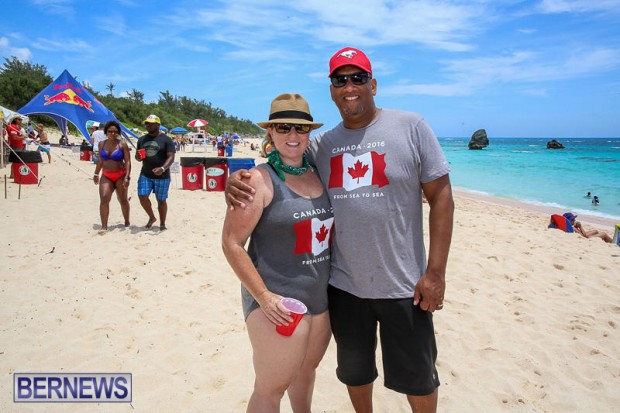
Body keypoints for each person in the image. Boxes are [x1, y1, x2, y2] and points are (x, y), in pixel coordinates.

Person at [226, 47, 454, 412]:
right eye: (340, 80)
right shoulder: (323, 144)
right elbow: (282, 162)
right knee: (355, 375)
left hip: (404, 285)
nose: (349, 86)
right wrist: (237, 180)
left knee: (419, 377)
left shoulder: (411, 127)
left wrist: (436, 272)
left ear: (373, 85)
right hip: (344, 289)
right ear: (331, 90)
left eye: (358, 78)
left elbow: (441, 197)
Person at [222, 93, 333, 412]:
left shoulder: (320, 172)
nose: (293, 135)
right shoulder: (256, 180)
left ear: (310, 133)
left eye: (301, 128)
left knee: (306, 373)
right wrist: (264, 297)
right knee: (270, 389)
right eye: (284, 127)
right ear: (270, 131)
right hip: (277, 304)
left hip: (319, 300)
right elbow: (231, 242)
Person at [135, 114, 175, 230]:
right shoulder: (141, 139)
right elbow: (138, 157)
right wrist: (138, 157)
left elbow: (171, 156)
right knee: (142, 196)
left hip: (162, 175)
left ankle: (162, 223)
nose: (148, 126)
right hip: (146, 174)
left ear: (158, 125)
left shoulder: (166, 140)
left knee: (161, 200)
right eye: (147, 124)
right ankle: (152, 217)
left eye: (151, 124)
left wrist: (162, 168)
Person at [93, 120, 131, 230]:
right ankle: (104, 226)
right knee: (104, 199)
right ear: (106, 132)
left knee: (123, 200)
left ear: (118, 132)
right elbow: (100, 160)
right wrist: (96, 173)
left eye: (115, 131)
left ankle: (127, 221)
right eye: (110, 131)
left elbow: (128, 162)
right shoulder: (102, 144)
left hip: (120, 176)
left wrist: (127, 177)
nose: (112, 133)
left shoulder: (122, 145)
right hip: (106, 176)